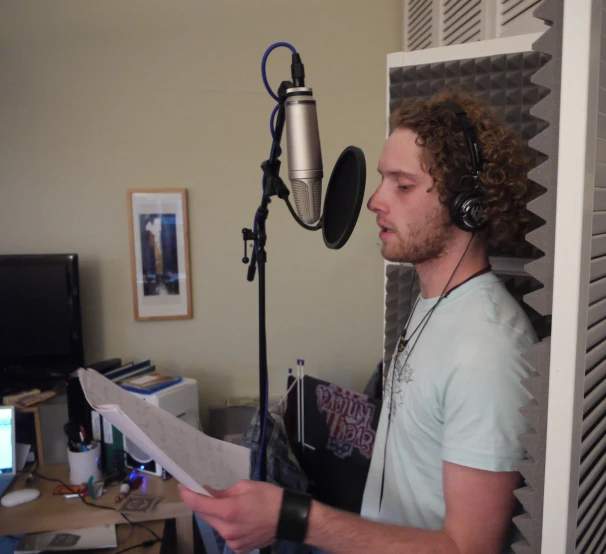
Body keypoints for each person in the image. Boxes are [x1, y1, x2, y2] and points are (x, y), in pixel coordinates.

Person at [180, 89, 538, 554]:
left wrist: (297, 519)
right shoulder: (434, 303)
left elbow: (468, 549)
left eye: (402, 185)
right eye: (382, 180)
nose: (374, 200)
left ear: (465, 204)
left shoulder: (488, 349)